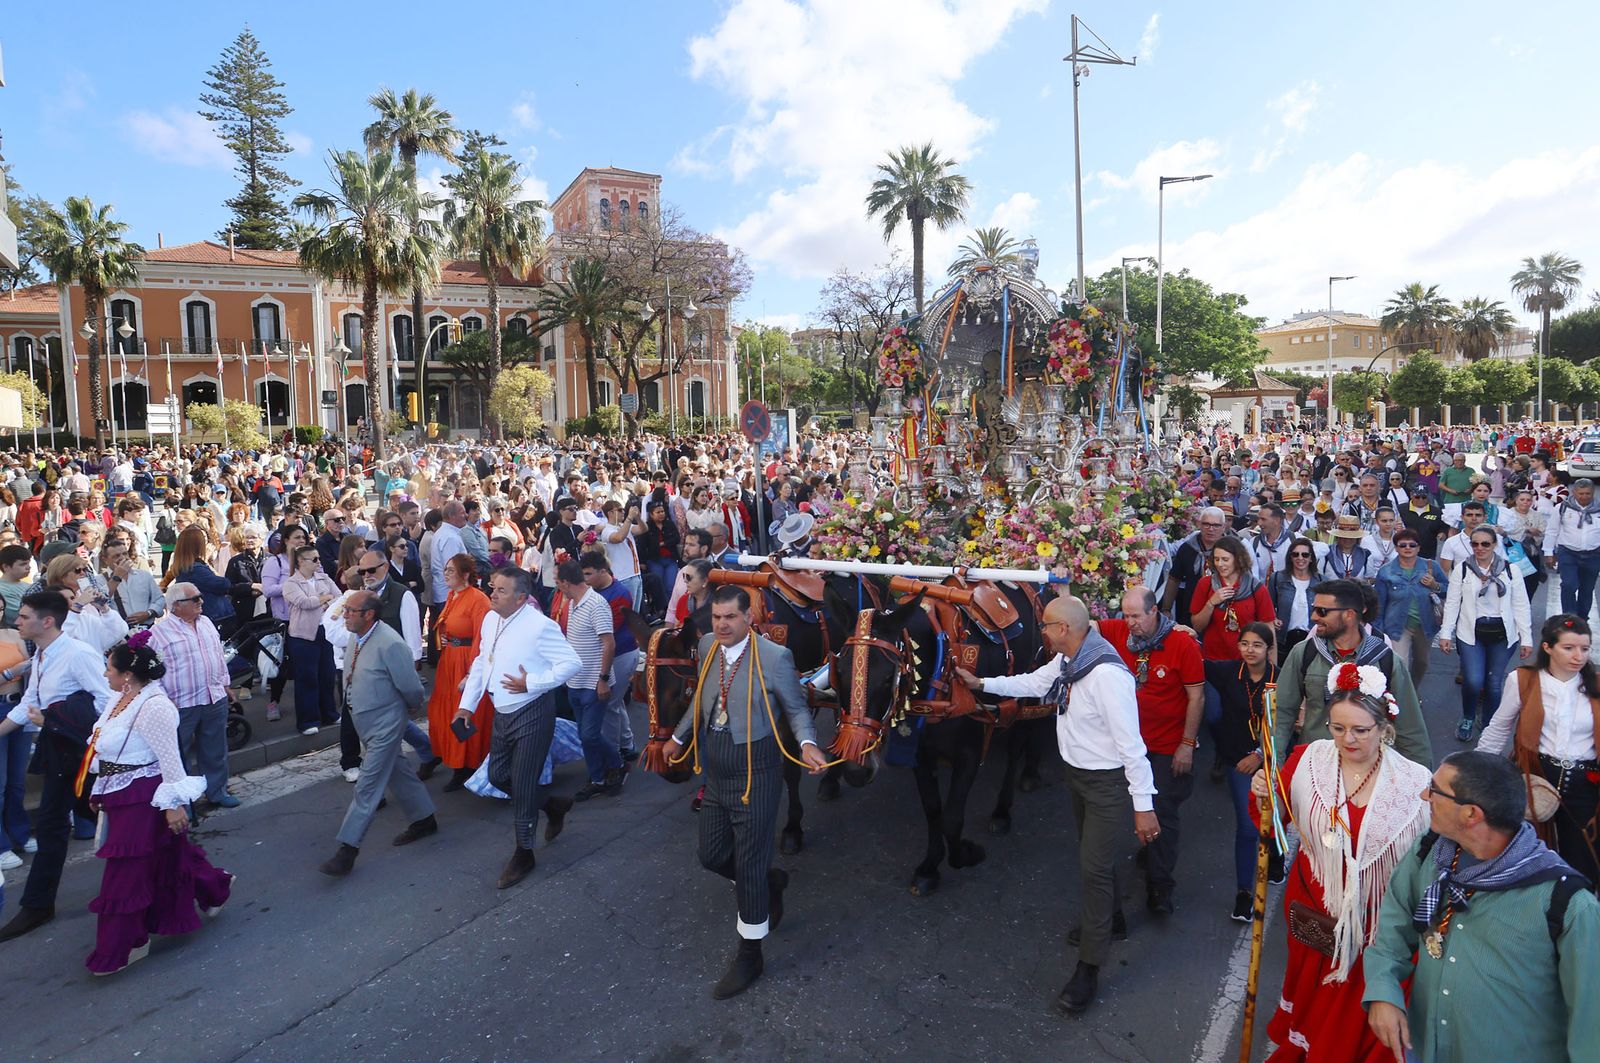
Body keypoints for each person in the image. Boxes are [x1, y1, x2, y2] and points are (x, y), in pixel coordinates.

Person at [955, 596, 1157, 1015]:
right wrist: (981, 685)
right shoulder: (1069, 660)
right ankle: (1112, 919)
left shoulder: (1105, 676)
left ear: (1064, 629)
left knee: (1093, 868)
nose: (1041, 632)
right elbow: (1032, 683)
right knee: (1092, 855)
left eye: (1045, 626)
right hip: (1079, 775)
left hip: (1105, 782)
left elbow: (1132, 746)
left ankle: (1089, 967)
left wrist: (1143, 805)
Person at [1363, 751, 1600, 1062]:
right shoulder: (1430, 850)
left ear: (1471, 814)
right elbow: (1394, 926)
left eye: (1434, 790)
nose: (1424, 795)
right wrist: (1383, 990)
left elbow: (1590, 1023)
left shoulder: (1568, 903)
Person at [1249, 666, 1433, 1062]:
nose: (1346, 740)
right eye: (1337, 728)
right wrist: (1264, 794)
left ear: (1384, 727)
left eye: (1360, 730)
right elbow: (1272, 819)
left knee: (1361, 1009)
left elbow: (1427, 863)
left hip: (1378, 923)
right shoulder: (1306, 759)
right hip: (1314, 908)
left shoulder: (1415, 782)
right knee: (1313, 996)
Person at [662, 584, 828, 999]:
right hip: (716, 770)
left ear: (749, 618)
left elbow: (795, 709)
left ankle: (750, 955)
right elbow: (699, 700)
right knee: (712, 855)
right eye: (716, 617)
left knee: (749, 865)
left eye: (730, 618)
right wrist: (679, 738)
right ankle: (770, 882)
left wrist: (807, 744)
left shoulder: (775, 658)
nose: (721, 625)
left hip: (756, 772)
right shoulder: (705, 646)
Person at [81, 635, 234, 975]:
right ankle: (214, 888)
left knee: (126, 871)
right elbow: (105, 749)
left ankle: (124, 944)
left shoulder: (155, 707)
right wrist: (99, 789)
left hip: (145, 794)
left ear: (127, 675)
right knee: (168, 855)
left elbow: (171, 761)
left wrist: (173, 805)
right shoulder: (119, 698)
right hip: (119, 793)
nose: (105, 675)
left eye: (109, 669)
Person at [452, 566, 580, 890]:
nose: (493, 594)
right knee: (497, 776)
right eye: (492, 588)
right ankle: (553, 805)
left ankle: (524, 852)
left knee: (522, 784)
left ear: (522, 598)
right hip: (502, 711)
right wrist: (467, 705)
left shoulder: (540, 626)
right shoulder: (491, 619)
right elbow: (483, 660)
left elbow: (571, 663)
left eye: (501, 591)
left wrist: (532, 683)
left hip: (534, 710)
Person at [0, 592, 116, 941]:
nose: (17, 622)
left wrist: (60, 720)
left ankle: (37, 905)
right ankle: (38, 904)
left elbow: (106, 700)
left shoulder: (77, 654)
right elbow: (29, 704)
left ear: (46, 621)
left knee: (64, 822)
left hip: (81, 754)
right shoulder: (42, 655)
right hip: (59, 750)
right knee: (65, 823)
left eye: (23, 617)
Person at [1096, 587, 1203, 915]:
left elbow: (1196, 697)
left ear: (1154, 611)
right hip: (1126, 745)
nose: (1129, 623)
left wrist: (1186, 745)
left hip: (1165, 746)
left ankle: (1160, 887)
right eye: (1125, 616)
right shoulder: (1118, 631)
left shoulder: (1182, 644)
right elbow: (1081, 625)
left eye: (1136, 616)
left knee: (1161, 814)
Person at [319, 590, 437, 877]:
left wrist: (409, 710)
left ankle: (348, 849)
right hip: (366, 723)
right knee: (397, 770)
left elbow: (412, 688)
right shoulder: (356, 637)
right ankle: (424, 819)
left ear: (369, 614)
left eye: (350, 611)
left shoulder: (390, 643)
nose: (344, 615)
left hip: (386, 724)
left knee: (368, 785)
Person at [1478, 613, 1600, 883]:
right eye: (1569, 648)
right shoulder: (1523, 680)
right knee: (1527, 856)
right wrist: (1476, 774)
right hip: (1535, 776)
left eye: (1584, 648)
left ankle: (1574, 918)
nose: (1578, 656)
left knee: (1582, 861)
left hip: (1585, 785)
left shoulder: (1596, 684)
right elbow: (1500, 726)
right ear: (1548, 647)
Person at [1271, 579, 1432, 767]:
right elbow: (1281, 714)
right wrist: (1274, 769)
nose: (1314, 616)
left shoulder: (1385, 659)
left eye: (1322, 611)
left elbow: (1410, 727)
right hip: (1315, 765)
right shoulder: (1304, 652)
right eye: (1314, 609)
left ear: (1348, 615)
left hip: (1369, 769)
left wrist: (1422, 780)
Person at [1205, 623, 1282, 922]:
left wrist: (1260, 754)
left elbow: (1286, 724)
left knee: (1275, 814)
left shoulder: (1281, 678)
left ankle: (1276, 855)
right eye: (1244, 644)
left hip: (1272, 758)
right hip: (1238, 761)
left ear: (1268, 649)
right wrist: (1177, 630)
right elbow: (1193, 659)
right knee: (1248, 827)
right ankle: (1244, 894)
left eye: (1257, 645)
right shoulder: (1229, 672)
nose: (1250, 650)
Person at [147, 583, 238, 808]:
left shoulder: (205, 622)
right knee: (178, 756)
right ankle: (181, 804)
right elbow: (152, 672)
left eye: (200, 597)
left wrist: (225, 684)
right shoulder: (159, 633)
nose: (201, 602)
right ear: (176, 606)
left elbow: (217, 654)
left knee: (215, 751)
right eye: (195, 599)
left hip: (213, 698)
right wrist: (161, 702)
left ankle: (217, 792)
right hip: (180, 704)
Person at [1439, 527, 1532, 743]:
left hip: (1502, 635)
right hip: (1471, 633)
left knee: (1493, 682)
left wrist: (1526, 638)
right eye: (1475, 544)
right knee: (1472, 680)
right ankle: (1468, 717)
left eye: (1485, 544)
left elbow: (1521, 605)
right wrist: (1446, 633)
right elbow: (1452, 603)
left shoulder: (1511, 570)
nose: (1479, 548)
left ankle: (1489, 722)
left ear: (1494, 545)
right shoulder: (1462, 569)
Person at [556, 559, 621, 800]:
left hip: (594, 683)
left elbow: (609, 643)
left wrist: (603, 679)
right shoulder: (573, 603)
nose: (556, 586)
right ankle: (597, 777)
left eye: (557, 581)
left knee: (589, 734)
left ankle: (616, 762)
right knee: (585, 734)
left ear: (565, 582)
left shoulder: (596, 604)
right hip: (575, 682)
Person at [428, 553, 494, 791]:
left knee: (464, 712)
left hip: (466, 662)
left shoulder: (478, 600)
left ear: (465, 575)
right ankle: (454, 760)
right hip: (450, 659)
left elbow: (481, 637)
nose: (445, 574)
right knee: (443, 711)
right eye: (445, 570)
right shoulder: (452, 595)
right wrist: (444, 636)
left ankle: (466, 766)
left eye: (450, 571)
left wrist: (472, 673)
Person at [579, 551, 639, 766]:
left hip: (621, 653)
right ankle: (627, 745)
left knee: (609, 705)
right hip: (614, 652)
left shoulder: (619, 594)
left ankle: (613, 753)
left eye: (588, 574)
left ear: (603, 571)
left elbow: (605, 631)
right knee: (615, 702)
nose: (584, 579)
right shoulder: (598, 592)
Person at [281, 546, 343, 736]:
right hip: (302, 636)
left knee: (327, 674)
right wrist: (325, 599)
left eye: (318, 559)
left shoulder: (324, 578)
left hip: (325, 632)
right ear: (301, 561)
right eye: (314, 559)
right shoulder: (291, 583)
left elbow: (339, 598)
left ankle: (329, 713)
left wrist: (321, 601)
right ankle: (308, 720)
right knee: (306, 678)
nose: (318, 562)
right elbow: (304, 603)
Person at [1373, 528, 1445, 686]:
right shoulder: (1386, 572)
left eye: (1412, 545)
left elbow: (1449, 590)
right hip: (1397, 626)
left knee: (1422, 662)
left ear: (1418, 547)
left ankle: (1413, 692)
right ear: (1396, 548)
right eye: (1402, 545)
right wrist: (1378, 630)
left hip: (1425, 624)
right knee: (1400, 665)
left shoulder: (1431, 566)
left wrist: (1435, 585)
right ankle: (1401, 699)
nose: (1407, 548)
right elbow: (1379, 603)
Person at [1191, 535, 1275, 662]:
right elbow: (1197, 626)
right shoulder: (1205, 584)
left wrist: (1272, 669)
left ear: (1238, 560)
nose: (1220, 564)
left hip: (1246, 661)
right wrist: (1211, 603)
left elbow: (1269, 629)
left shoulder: (1255, 587)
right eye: (1216, 559)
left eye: (1225, 559)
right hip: (1213, 660)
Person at [1542, 476, 1600, 620]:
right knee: (1569, 585)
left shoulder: (1598, 509)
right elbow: (1552, 531)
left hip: (1593, 555)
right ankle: (1570, 617)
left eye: (1588, 494)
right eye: (1581, 493)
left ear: (1593, 493)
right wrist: (1549, 552)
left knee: (1587, 589)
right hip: (1568, 553)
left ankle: (1582, 618)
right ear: (1574, 492)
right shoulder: (1561, 508)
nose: (1584, 497)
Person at [1164, 507, 1230, 625]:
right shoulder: (1187, 548)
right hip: (1191, 610)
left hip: (1223, 611)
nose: (1211, 529)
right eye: (1206, 524)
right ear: (1199, 524)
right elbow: (1174, 579)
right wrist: (1166, 609)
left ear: (1223, 527)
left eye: (1216, 525)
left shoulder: (1232, 549)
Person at [1270, 537, 1325, 658]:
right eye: (1295, 554)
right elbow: (1268, 606)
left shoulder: (1322, 581)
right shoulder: (1277, 578)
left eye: (1305, 555)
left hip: (1312, 638)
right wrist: (1273, 619)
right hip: (1284, 638)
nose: (1300, 558)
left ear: (1311, 558)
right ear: (1290, 557)